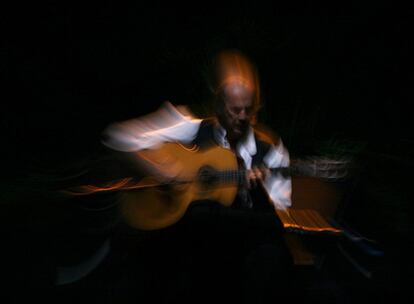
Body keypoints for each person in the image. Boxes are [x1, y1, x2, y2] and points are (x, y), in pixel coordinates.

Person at [101, 49, 294, 304]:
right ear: (217, 105)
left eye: (248, 109)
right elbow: (116, 136)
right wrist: (160, 170)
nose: (242, 117)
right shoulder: (191, 128)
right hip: (186, 249)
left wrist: (259, 195)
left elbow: (282, 217)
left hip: (238, 250)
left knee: (272, 260)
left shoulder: (271, 152)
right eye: (234, 110)